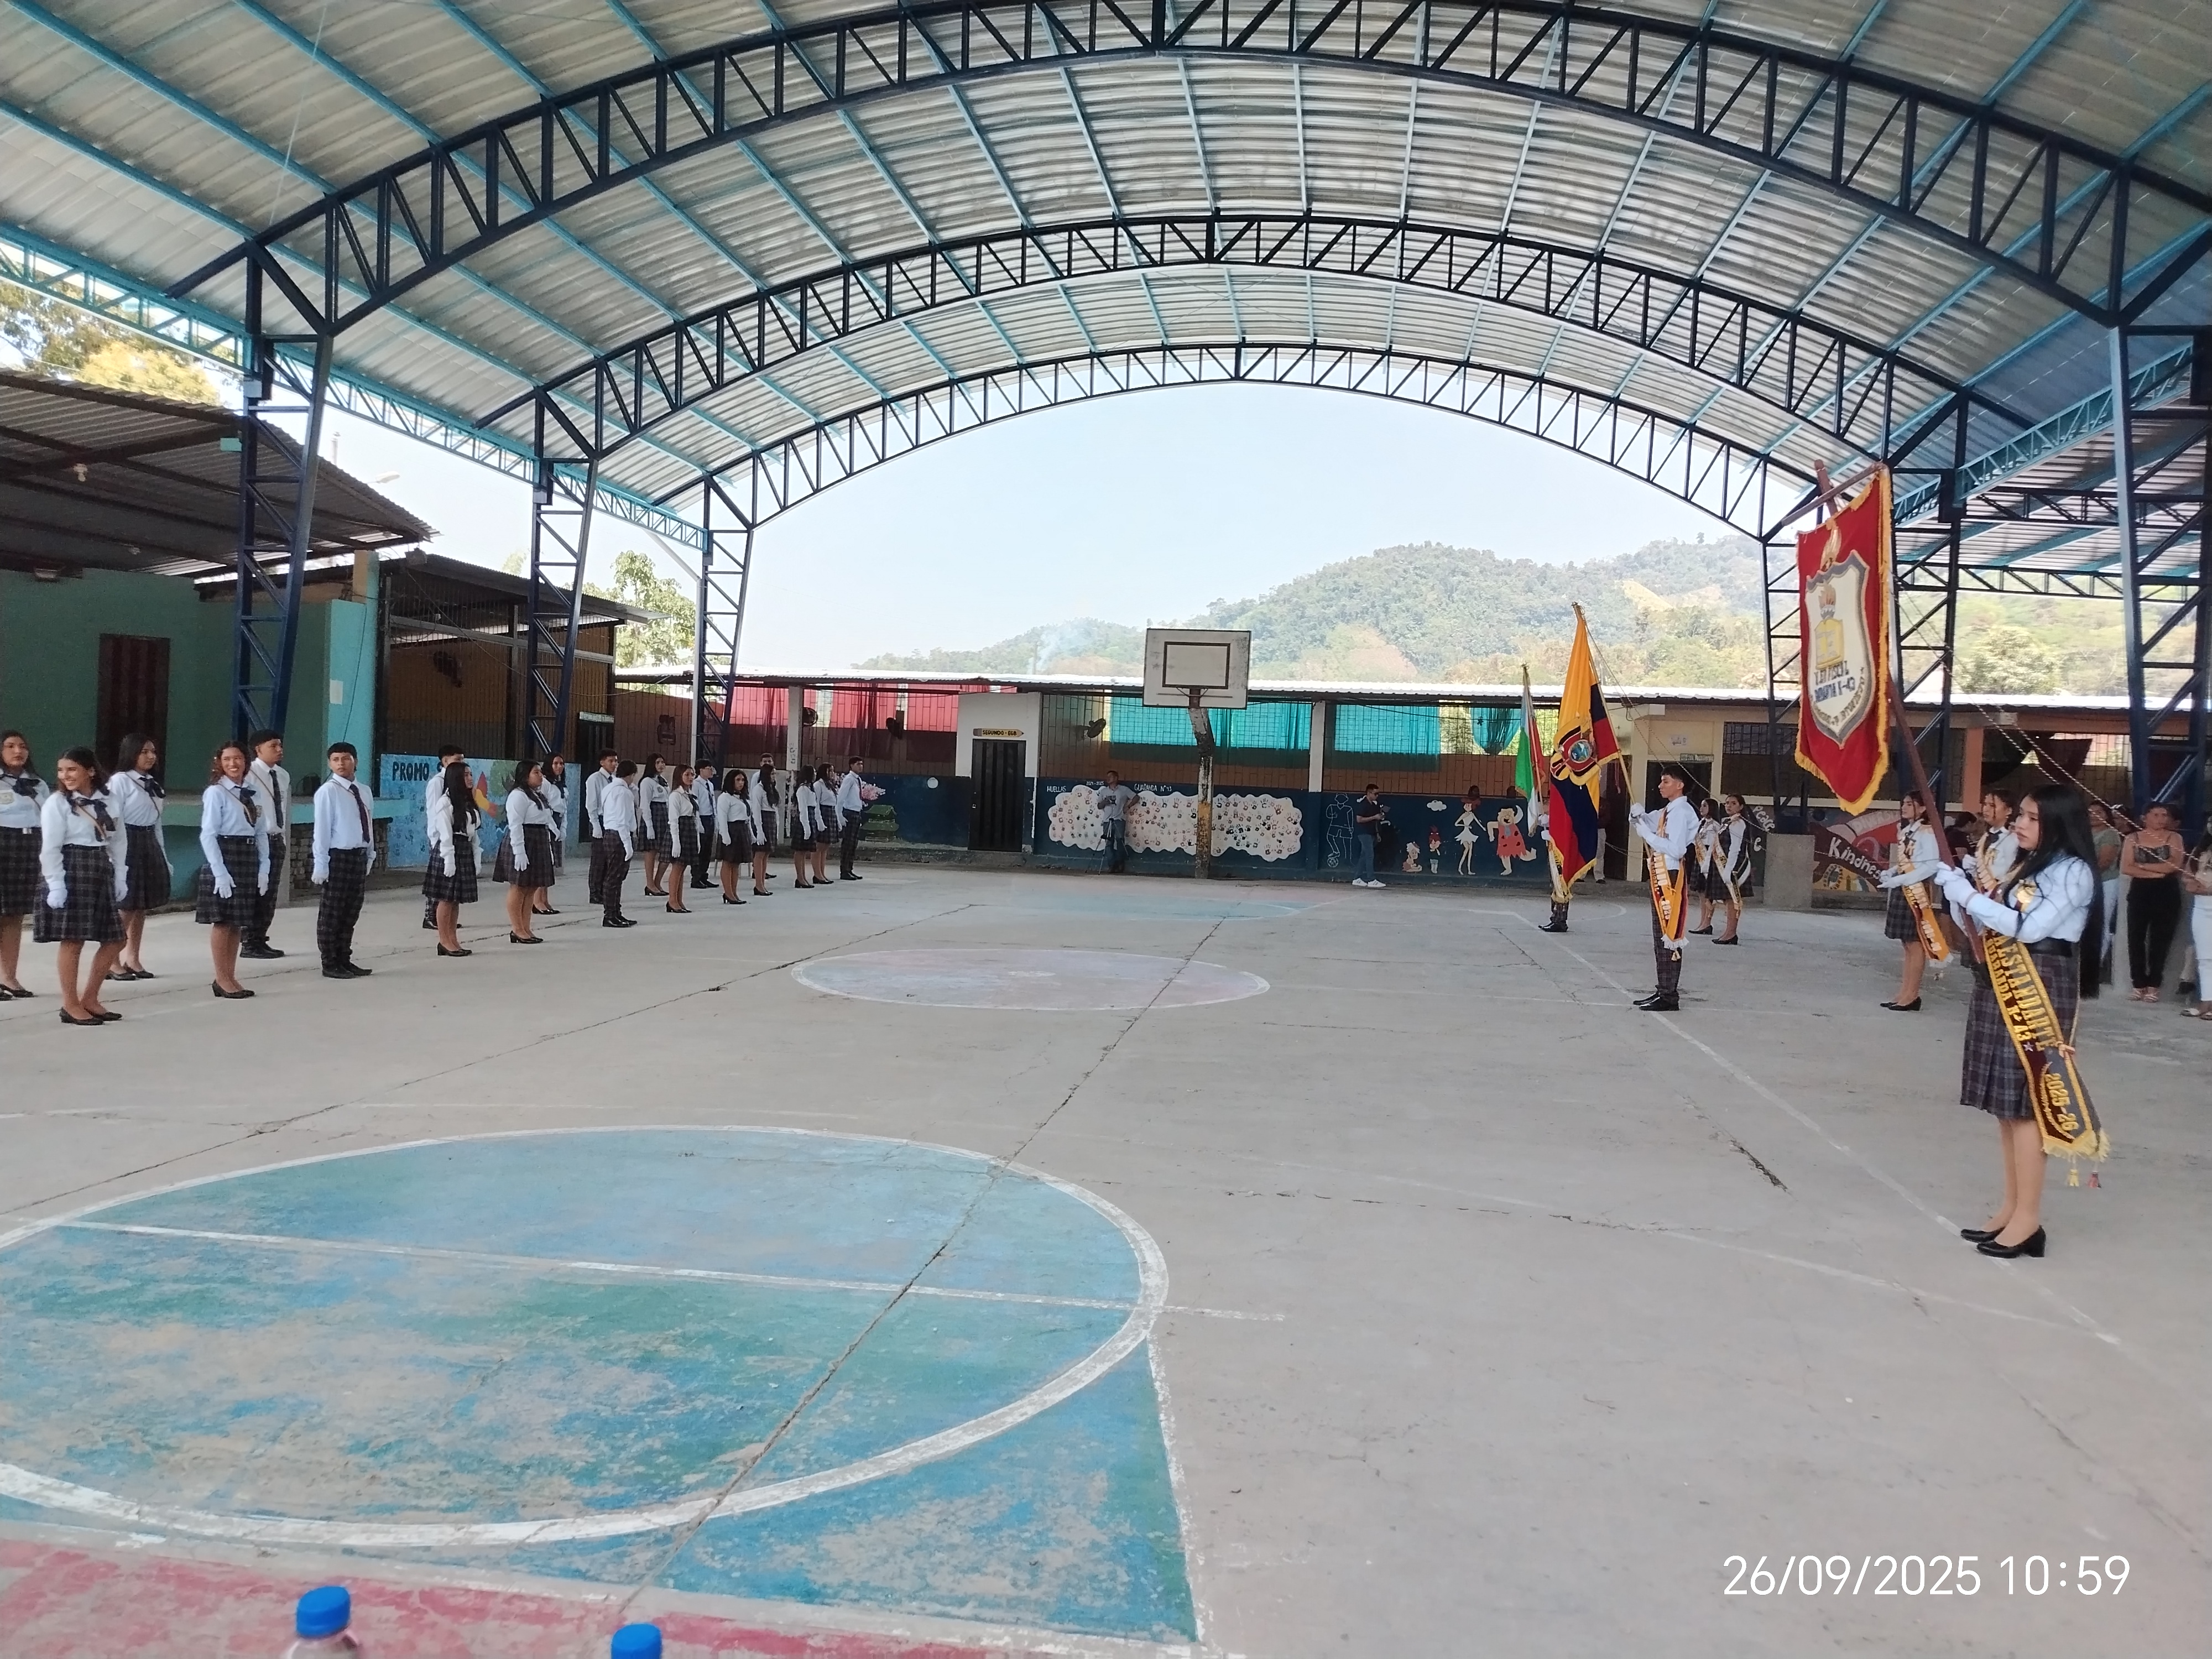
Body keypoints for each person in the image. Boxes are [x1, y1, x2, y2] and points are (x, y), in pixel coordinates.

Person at [1933, 784, 2103, 1260]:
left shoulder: (2073, 872)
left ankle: (2029, 1219)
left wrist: (1968, 896)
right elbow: (1994, 918)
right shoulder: (2029, 864)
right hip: (2002, 976)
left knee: (2027, 1104)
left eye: (2031, 818)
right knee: (2006, 1104)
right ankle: (2011, 1208)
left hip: (2038, 982)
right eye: (2021, 816)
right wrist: (1961, 893)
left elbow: (2029, 927)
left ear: (2058, 823)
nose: (2020, 825)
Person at [35, 746, 127, 1024]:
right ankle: (70, 1004)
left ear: (91, 771)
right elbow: (50, 847)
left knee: (116, 938)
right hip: (72, 867)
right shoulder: (57, 803)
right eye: (61, 770)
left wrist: (121, 874)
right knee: (73, 940)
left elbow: (118, 839)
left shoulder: (108, 800)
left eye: (72, 769)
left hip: (100, 866)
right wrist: (56, 883)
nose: (65, 776)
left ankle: (90, 998)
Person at [196, 740, 271, 1000]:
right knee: (223, 921)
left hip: (247, 855)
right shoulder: (216, 793)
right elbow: (208, 835)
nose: (233, 764)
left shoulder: (252, 792)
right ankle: (221, 977)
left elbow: (260, 831)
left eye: (238, 758)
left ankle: (230, 975)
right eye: (227, 759)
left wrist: (264, 867)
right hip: (226, 854)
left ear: (246, 761)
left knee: (238, 921)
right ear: (219, 763)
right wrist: (220, 872)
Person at [1629, 765, 1697, 1011]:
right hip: (1661, 873)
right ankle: (1663, 989)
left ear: (1680, 785)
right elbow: (1647, 821)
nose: (1660, 786)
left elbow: (1676, 849)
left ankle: (1669, 995)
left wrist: (1647, 835)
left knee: (1669, 936)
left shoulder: (1681, 812)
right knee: (1661, 937)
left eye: (1666, 781)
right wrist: (1637, 815)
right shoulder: (1668, 810)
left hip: (1670, 876)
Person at [105, 732, 170, 982]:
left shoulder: (153, 784)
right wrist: (114, 856)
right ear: (131, 753)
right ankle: (111, 960)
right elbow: (114, 819)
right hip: (128, 841)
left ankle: (133, 958)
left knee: (141, 905)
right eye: (144, 752)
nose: (151, 756)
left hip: (148, 842)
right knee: (127, 905)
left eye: (153, 751)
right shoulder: (120, 781)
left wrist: (163, 855)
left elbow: (157, 823)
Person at [310, 740, 377, 979]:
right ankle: (330, 961)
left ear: (355, 761)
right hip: (338, 856)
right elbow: (322, 830)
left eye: (346, 759)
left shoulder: (364, 791)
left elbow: (368, 823)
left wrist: (370, 853)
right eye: (336, 760)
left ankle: (344, 958)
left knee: (351, 911)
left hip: (358, 856)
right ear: (330, 764)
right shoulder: (329, 791)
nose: (341, 764)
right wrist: (321, 863)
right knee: (333, 912)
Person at [1876, 791, 1941, 1010]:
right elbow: (1907, 861)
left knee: (1915, 943)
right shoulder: (1907, 830)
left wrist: (1901, 879)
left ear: (1922, 808)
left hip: (1917, 890)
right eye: (1903, 803)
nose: (1904, 807)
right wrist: (1892, 872)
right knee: (1906, 943)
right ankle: (1904, 992)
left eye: (1910, 804)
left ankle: (1912, 995)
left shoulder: (1927, 832)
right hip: (1903, 887)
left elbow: (1930, 865)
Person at [0, 729, 49, 998]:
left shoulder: (37, 784)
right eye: (10, 746)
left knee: (15, 913)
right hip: (2, 842)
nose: (18, 751)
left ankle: (9, 978)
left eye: (22, 746)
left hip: (30, 846)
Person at [2120, 802, 2185, 1000]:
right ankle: (2138, 984)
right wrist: (2157, 872)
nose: (2161, 819)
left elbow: (2174, 865)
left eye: (2164, 815)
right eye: (2156, 815)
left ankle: (2154, 985)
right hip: (2140, 891)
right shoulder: (2133, 838)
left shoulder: (2175, 838)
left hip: (2167, 892)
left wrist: (2143, 866)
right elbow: (2127, 867)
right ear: (2145, 817)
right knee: (2136, 937)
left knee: (2161, 940)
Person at [424, 757, 481, 957]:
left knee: (456, 900)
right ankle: (444, 941)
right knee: (446, 899)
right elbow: (446, 835)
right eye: (465, 775)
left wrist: (476, 855)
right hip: (449, 850)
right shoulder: (445, 803)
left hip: (464, 849)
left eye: (471, 774)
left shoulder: (467, 801)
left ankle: (453, 939)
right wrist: (449, 860)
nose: (470, 778)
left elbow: (473, 831)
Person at [242, 729, 290, 959]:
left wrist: (283, 838)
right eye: (273, 746)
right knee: (255, 892)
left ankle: (260, 938)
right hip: (258, 840)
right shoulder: (249, 774)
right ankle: (249, 941)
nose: (279, 750)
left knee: (270, 893)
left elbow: (282, 808)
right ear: (258, 749)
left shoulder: (283, 775)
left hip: (276, 839)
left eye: (280, 745)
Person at [498, 758, 556, 944]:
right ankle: (517, 929)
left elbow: (545, 817)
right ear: (525, 775)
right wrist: (519, 852)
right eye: (536, 772)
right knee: (519, 886)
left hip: (538, 839)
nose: (541, 776)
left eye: (540, 772)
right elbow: (515, 825)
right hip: (524, 840)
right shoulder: (518, 795)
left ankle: (526, 927)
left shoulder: (536, 794)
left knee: (531, 887)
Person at [422, 743, 465, 930]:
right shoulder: (437, 782)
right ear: (445, 761)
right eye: (457, 760)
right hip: (440, 837)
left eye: (462, 760)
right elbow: (434, 812)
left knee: (450, 884)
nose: (461, 763)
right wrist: (435, 838)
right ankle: (431, 916)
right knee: (439, 881)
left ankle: (446, 918)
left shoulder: (458, 781)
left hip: (455, 837)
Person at [598, 759, 640, 927]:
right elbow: (622, 821)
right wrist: (628, 844)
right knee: (614, 878)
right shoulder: (623, 792)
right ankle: (610, 915)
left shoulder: (609, 788)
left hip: (610, 834)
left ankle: (616, 913)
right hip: (619, 836)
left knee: (616, 877)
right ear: (631, 775)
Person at [1710, 794, 1755, 945]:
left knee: (1733, 900)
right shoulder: (1727, 823)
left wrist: (1729, 869)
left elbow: (1735, 848)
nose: (1729, 806)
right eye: (1727, 803)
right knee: (1728, 900)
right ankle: (1728, 932)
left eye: (1733, 803)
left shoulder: (1739, 823)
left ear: (1741, 806)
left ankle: (1731, 933)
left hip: (1735, 865)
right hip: (1726, 864)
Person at [2180, 824, 2212, 1021]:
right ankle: (2206, 1002)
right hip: (2201, 906)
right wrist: (2191, 883)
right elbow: (2186, 874)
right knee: (2204, 958)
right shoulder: (2200, 850)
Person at [2089, 800, 2122, 975]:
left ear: (2107, 815)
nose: (2094, 815)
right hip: (2086, 883)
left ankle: (2097, 962)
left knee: (2102, 921)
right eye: (2090, 812)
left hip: (2105, 882)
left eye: (2099, 812)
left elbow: (2104, 862)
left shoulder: (2110, 834)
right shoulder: (2083, 833)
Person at [583, 749, 618, 906]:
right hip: (600, 819)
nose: (614, 764)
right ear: (602, 762)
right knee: (599, 859)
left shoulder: (615, 780)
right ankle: (595, 893)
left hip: (612, 820)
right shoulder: (595, 779)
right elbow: (591, 804)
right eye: (611, 761)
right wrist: (595, 824)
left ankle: (605, 891)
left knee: (610, 859)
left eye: (616, 761)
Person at [714, 768, 754, 904]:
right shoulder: (725, 797)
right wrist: (725, 835)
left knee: (736, 864)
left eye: (743, 780)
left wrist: (751, 834)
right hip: (731, 830)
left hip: (742, 829)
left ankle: (734, 892)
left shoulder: (743, 798)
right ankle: (728, 893)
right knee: (728, 862)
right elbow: (722, 817)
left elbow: (747, 817)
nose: (741, 783)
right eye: (738, 780)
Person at [664, 764, 698, 914]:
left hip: (689, 829)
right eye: (687, 775)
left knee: (683, 868)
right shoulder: (675, 796)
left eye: (692, 775)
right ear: (680, 776)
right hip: (679, 831)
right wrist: (676, 842)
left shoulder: (689, 795)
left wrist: (697, 839)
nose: (691, 778)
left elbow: (695, 817)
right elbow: (673, 820)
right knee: (677, 867)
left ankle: (679, 900)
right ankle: (672, 901)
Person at [537, 754, 567, 916]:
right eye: (555, 763)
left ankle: (544, 899)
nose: (559, 766)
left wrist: (563, 828)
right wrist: (554, 828)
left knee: (549, 866)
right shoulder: (545, 783)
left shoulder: (560, 784)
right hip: (548, 823)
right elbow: (544, 808)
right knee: (543, 865)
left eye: (561, 763)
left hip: (558, 821)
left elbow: (564, 807)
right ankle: (537, 902)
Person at [1688, 797, 1722, 934]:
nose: (1701, 808)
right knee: (1701, 893)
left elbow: (1714, 845)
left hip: (1709, 858)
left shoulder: (1715, 826)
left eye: (1705, 806)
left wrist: (1707, 862)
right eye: (1701, 805)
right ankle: (1702, 922)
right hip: (1699, 857)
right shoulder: (1702, 823)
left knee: (1708, 893)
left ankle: (1707, 922)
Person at [637, 754, 670, 896]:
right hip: (653, 815)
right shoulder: (647, 782)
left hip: (664, 815)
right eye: (658, 762)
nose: (661, 765)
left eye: (663, 762)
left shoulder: (662, 781)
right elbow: (645, 805)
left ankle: (657, 882)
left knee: (667, 851)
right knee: (651, 851)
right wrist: (649, 826)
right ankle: (650, 884)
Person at [836, 757, 869, 880]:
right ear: (851, 765)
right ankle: (844, 871)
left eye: (862, 764)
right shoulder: (849, 779)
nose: (861, 766)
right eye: (858, 764)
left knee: (853, 843)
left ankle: (849, 869)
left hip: (856, 812)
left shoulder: (857, 779)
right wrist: (840, 815)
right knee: (848, 843)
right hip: (849, 813)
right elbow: (841, 798)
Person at [787, 761, 820, 890]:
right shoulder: (802, 789)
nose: (815, 774)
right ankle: (800, 878)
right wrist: (806, 827)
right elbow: (803, 809)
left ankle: (803, 877)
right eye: (814, 772)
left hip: (810, 817)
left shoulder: (810, 788)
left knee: (804, 851)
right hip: (803, 820)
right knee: (799, 850)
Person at [1097, 769, 1135, 874]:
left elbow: (1136, 797)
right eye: (1107, 777)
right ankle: (1111, 865)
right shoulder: (1104, 791)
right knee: (1108, 843)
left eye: (1110, 777)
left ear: (1116, 778)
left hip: (1119, 819)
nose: (1108, 779)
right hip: (1107, 820)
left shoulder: (1124, 790)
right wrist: (1105, 802)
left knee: (1120, 842)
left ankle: (1120, 863)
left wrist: (1128, 807)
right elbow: (1099, 806)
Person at [688, 763, 718, 889]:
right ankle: (696, 878)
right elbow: (695, 803)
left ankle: (704, 876)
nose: (712, 771)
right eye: (709, 769)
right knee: (700, 850)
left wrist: (716, 820)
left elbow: (713, 803)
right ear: (701, 770)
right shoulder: (696, 784)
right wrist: (698, 821)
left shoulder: (710, 785)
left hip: (710, 817)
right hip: (702, 818)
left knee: (707, 851)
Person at [811, 764, 841, 885]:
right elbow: (816, 803)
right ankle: (817, 874)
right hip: (823, 814)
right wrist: (819, 820)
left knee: (825, 847)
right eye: (830, 771)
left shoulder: (830, 785)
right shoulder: (818, 785)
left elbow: (835, 803)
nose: (833, 773)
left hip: (831, 813)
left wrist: (837, 820)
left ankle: (822, 873)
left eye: (833, 770)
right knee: (819, 847)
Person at [1352, 784, 1385, 888]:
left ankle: (1357, 878)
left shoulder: (1374, 805)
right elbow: (1359, 819)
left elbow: (1375, 820)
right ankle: (1371, 879)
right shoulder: (1363, 804)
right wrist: (1374, 817)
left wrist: (1379, 820)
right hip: (1364, 833)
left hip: (1371, 833)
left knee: (1364, 855)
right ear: (1369, 793)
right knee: (1370, 855)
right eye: (1375, 794)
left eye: (1378, 794)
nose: (1377, 796)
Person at [754, 754, 780, 868]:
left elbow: (775, 807)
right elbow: (756, 809)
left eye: (775, 774)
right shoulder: (758, 788)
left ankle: (763, 876)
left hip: (771, 819)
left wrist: (777, 822)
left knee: (767, 853)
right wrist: (759, 830)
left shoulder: (771, 788)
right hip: (763, 819)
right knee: (761, 852)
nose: (774, 776)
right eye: (772, 774)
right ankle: (757, 876)